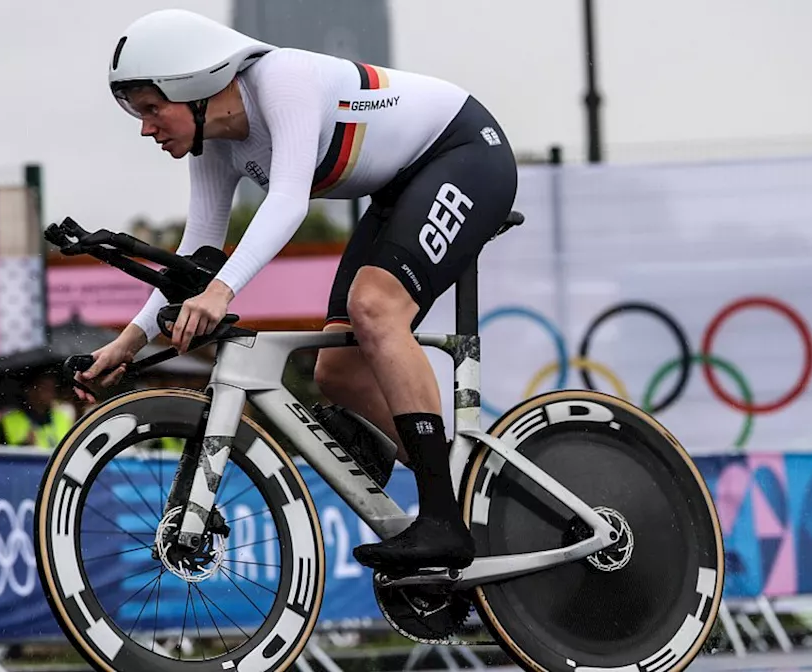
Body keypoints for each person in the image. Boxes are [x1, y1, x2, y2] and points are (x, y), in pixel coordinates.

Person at [75, 9, 518, 572]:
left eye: (151, 109)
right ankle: (471, 495)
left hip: (465, 152)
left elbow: (287, 200)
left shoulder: (281, 79)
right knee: (339, 371)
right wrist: (124, 346)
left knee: (375, 307)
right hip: (400, 188)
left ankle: (441, 522)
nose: (146, 128)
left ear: (193, 87)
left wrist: (222, 291)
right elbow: (198, 252)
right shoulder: (214, 144)